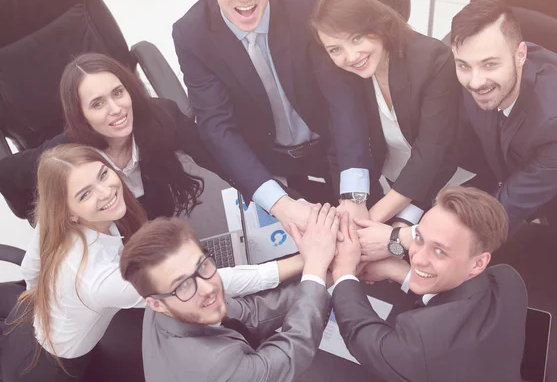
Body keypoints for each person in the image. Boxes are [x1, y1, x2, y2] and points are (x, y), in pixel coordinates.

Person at [0, 145, 304, 382]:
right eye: (85, 193)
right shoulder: (97, 279)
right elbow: (213, 281)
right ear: (69, 212)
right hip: (49, 366)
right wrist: (301, 262)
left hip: (30, 320)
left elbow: (30, 269)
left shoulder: (57, 221)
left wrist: (43, 299)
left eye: (103, 174)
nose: (106, 191)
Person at [173, 0, 374, 233]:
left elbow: (341, 95)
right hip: (267, 162)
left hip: (332, 144)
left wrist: (354, 193)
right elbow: (217, 127)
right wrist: (279, 203)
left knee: (367, 230)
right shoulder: (191, 33)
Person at [310, 0, 472, 260]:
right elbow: (343, 138)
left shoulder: (432, 60)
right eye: (335, 49)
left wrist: (370, 221)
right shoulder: (346, 73)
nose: (350, 56)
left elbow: (432, 154)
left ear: (378, 26)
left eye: (357, 39)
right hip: (394, 181)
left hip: (450, 178)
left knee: (412, 250)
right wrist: (351, 202)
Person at [330, 186, 528, 382]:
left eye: (439, 251)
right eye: (419, 238)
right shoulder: (508, 280)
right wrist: (401, 273)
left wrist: (344, 272)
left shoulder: (421, 340)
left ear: (478, 263)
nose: (418, 259)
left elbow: (363, 336)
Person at [451, 0, 557, 258]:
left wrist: (415, 237)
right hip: (526, 180)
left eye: (489, 64)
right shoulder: (479, 70)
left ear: (521, 55)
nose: (474, 82)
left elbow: (508, 207)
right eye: (463, 65)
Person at [120, 206, 337, 382]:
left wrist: (326, 273)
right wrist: (315, 271)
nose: (208, 288)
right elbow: (290, 355)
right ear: (156, 304)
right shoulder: (214, 365)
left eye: (202, 266)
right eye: (183, 286)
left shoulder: (167, 301)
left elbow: (252, 314)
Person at [0, 52, 216, 221]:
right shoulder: (63, 154)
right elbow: (7, 173)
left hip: (158, 217)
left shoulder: (160, 116)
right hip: (105, 238)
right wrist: (41, 213)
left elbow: (214, 152)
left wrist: (249, 185)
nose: (116, 109)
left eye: (118, 93)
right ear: (81, 115)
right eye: (97, 103)